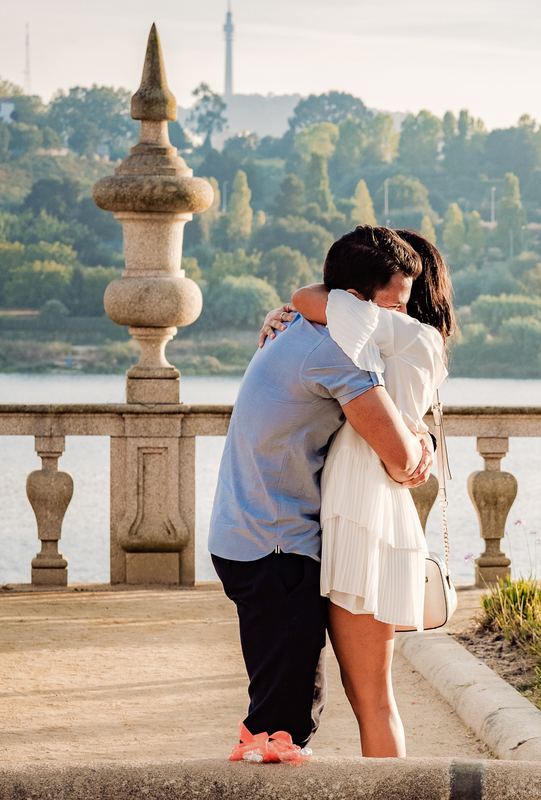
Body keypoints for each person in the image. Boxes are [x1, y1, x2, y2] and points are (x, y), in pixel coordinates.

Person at [209, 226, 434, 753]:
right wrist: (419, 446)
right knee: (283, 725)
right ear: (355, 302)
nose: (400, 318)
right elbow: (400, 459)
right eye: (394, 305)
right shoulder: (338, 351)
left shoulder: (301, 329)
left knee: (282, 713)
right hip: (275, 545)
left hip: (248, 534)